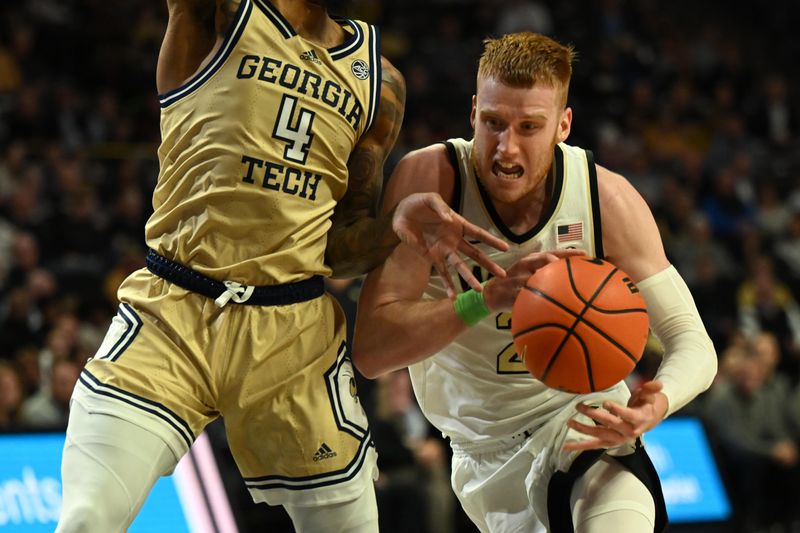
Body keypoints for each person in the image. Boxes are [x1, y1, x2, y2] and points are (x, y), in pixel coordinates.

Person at [56, 1, 508, 532]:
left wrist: (394, 225)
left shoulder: (379, 80)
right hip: (174, 310)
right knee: (88, 519)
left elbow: (340, 250)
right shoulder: (219, 14)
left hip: (291, 332)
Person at [353, 32, 718, 532]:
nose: (507, 147)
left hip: (586, 423)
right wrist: (483, 301)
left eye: (530, 126)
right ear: (473, 112)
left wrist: (659, 401)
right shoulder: (433, 181)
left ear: (563, 125)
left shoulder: (604, 199)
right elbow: (372, 353)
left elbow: (694, 344)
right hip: (482, 451)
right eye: (494, 123)